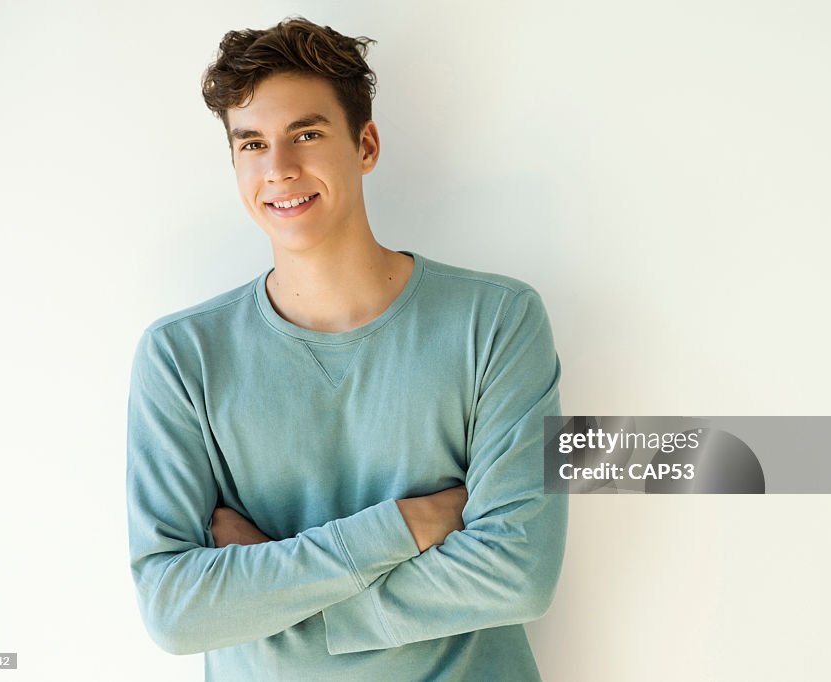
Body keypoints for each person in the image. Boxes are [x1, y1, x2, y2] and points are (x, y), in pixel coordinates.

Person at [125, 15, 568, 681]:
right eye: (252, 144)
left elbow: (518, 575)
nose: (278, 169)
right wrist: (405, 526)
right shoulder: (181, 358)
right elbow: (175, 611)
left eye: (306, 134)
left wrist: (272, 605)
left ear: (366, 145)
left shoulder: (498, 321)